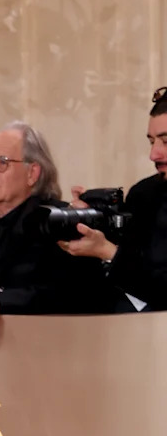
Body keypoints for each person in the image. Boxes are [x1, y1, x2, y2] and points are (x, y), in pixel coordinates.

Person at [0, 122, 112, 350]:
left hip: (55, 352)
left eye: (1, 162)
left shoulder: (63, 223)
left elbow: (68, 293)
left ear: (32, 173)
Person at [61, 86, 167, 311]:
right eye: (151, 142)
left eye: (165, 141)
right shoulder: (143, 194)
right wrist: (88, 224)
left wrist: (107, 251)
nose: (153, 155)